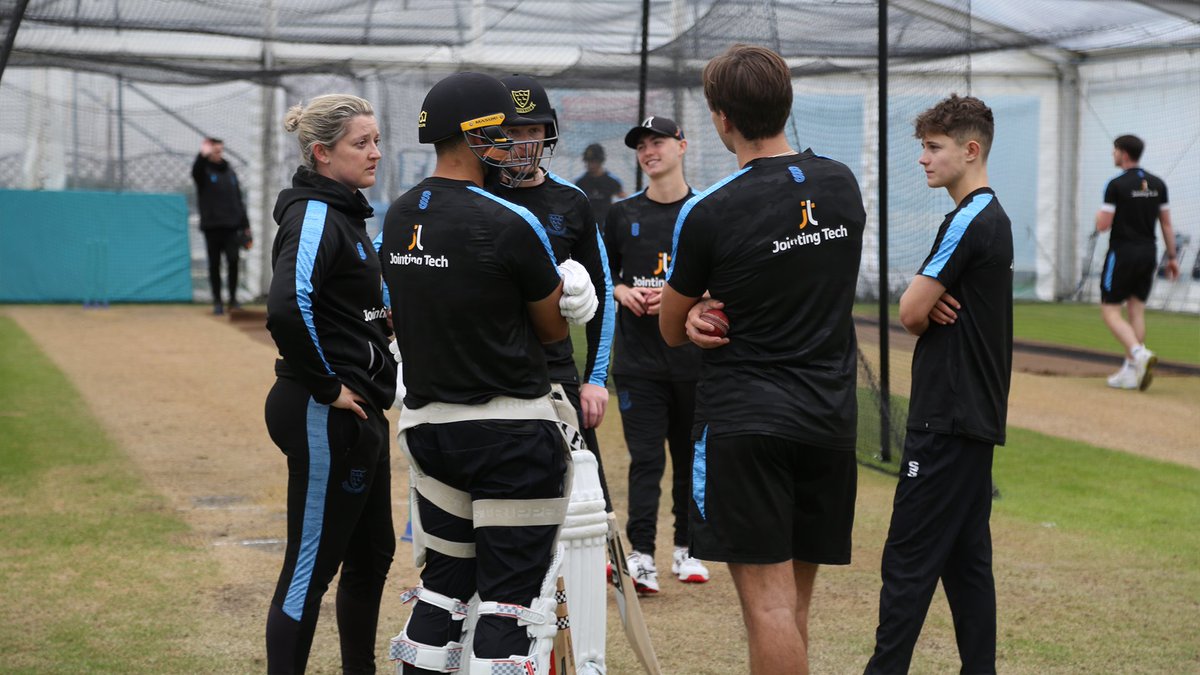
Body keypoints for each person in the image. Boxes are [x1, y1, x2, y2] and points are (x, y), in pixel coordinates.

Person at [381, 71, 596, 675]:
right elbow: (553, 330)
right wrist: (571, 294)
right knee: (507, 607)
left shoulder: (397, 216)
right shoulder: (510, 220)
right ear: (467, 136)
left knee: (443, 591)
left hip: (428, 430)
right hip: (510, 435)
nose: (508, 145)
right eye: (497, 133)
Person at [659, 45, 865, 674]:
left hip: (747, 421)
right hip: (829, 419)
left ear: (722, 120)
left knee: (769, 612)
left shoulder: (710, 210)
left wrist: (693, 315)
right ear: (787, 103)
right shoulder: (840, 182)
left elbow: (670, 326)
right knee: (794, 610)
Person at [863, 94, 1013, 675]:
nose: (923, 160)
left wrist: (923, 305)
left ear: (970, 150)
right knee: (966, 564)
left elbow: (909, 311)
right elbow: (924, 307)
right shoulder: (984, 217)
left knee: (908, 562)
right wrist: (928, 305)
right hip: (969, 421)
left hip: (946, 422)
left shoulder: (972, 216)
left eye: (933, 148)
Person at [263, 94, 396, 674]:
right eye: (360, 143)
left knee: (373, 554)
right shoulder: (314, 213)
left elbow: (346, 303)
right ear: (322, 153)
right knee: (310, 566)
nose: (376, 152)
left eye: (376, 139)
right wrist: (327, 386)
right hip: (325, 410)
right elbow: (288, 307)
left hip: (360, 411)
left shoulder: (346, 213)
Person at [486, 73, 616, 510]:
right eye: (512, 131)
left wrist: (596, 381)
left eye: (533, 131)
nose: (523, 142)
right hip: (484, 372)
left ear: (548, 135)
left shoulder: (571, 200)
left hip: (555, 375)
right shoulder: (473, 193)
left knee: (584, 498)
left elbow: (602, 292)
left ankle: (597, 573)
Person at [603, 114, 708, 593]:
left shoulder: (706, 211)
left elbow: (724, 278)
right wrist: (622, 290)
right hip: (638, 365)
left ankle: (688, 549)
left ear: (682, 146)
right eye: (641, 145)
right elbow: (602, 275)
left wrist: (685, 298)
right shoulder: (622, 214)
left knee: (690, 460)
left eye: (659, 141)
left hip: (694, 363)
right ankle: (641, 555)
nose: (649, 151)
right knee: (646, 460)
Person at [1095, 134, 1179, 391]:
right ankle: (1131, 370)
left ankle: (1138, 353)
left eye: (1114, 151)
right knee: (1136, 310)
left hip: (1122, 253)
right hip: (1148, 252)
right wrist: (1173, 257)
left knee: (1110, 310)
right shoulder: (1158, 183)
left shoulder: (1115, 185)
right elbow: (1165, 223)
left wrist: (1098, 216)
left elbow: (1103, 225)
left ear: (1123, 153)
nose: (1113, 155)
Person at [192, 137, 251, 314]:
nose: (218, 154)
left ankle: (232, 299)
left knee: (233, 261)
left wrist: (245, 225)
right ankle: (217, 301)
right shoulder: (203, 172)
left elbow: (238, 200)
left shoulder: (230, 172)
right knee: (214, 264)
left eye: (220, 150)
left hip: (232, 227)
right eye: (214, 151)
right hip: (212, 227)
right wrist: (202, 155)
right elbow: (196, 171)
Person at [575, 143, 626, 228]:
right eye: (588, 161)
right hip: (586, 224)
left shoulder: (612, 181)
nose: (590, 165)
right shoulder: (580, 182)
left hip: (607, 224)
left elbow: (624, 199)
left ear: (601, 161)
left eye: (594, 161)